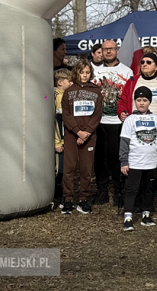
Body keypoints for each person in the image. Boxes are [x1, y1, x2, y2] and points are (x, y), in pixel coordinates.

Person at [119, 87, 157, 231]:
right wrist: (124, 161)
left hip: (151, 163)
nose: (141, 103)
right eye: (138, 100)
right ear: (134, 102)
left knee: (148, 189)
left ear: (149, 102)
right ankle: (128, 216)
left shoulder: (156, 119)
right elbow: (124, 142)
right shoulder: (130, 119)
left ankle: (146, 215)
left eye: (145, 100)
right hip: (134, 162)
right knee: (131, 189)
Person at [93, 39, 134, 206]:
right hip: (99, 121)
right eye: (105, 49)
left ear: (117, 51)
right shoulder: (94, 71)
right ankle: (102, 190)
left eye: (111, 49)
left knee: (118, 157)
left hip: (119, 121)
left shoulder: (127, 71)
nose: (108, 52)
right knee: (100, 157)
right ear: (101, 51)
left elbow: (131, 96)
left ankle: (119, 190)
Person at [61, 60, 103, 215]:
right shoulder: (69, 91)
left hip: (89, 135)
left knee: (86, 169)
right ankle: (68, 199)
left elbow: (97, 114)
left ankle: (83, 199)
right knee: (69, 168)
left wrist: (86, 132)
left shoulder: (96, 91)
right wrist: (77, 131)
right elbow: (66, 114)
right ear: (76, 73)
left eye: (87, 72)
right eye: (81, 72)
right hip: (72, 135)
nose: (84, 75)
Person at [117, 53, 157, 130]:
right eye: (142, 62)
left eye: (148, 62)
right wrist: (122, 113)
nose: (144, 64)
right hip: (135, 127)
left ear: (156, 67)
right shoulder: (132, 82)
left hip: (156, 127)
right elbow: (122, 102)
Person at [53, 69, 73, 199]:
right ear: (60, 82)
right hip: (60, 140)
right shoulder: (59, 97)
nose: (72, 83)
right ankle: (57, 192)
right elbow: (56, 122)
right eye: (69, 81)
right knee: (59, 168)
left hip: (63, 139)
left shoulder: (62, 95)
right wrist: (58, 141)